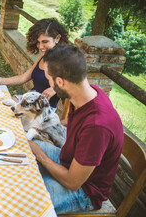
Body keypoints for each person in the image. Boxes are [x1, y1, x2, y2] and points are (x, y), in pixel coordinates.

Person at [28, 44, 124, 214]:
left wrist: (41, 156)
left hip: (84, 190)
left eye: (49, 79)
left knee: (27, 201)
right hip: (68, 160)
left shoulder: (97, 125)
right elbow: (72, 125)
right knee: (23, 145)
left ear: (59, 81)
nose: (48, 84)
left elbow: (73, 182)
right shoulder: (85, 93)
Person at [0, 18, 69, 110]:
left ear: (57, 38)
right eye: (38, 42)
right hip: (27, 99)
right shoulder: (43, 57)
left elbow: (73, 87)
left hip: (43, 110)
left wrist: (55, 89)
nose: (40, 47)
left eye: (45, 42)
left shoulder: (65, 61)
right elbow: (23, 78)